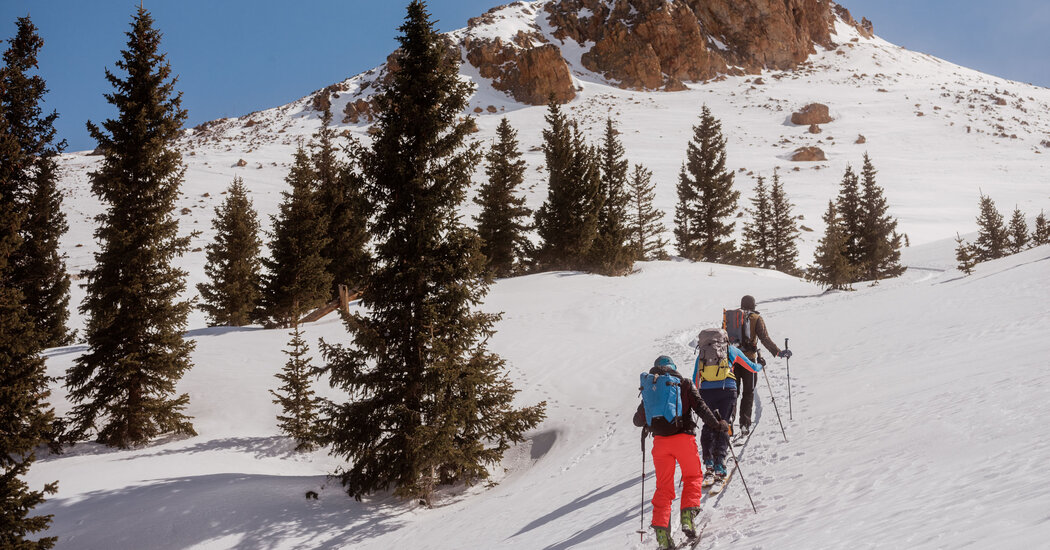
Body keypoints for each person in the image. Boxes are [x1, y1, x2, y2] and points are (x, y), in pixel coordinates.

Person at [634, 355, 730, 549]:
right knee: (693, 476)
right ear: (673, 367)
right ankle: (687, 516)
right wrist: (718, 424)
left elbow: (637, 420)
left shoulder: (651, 388)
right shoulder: (684, 384)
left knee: (664, 488)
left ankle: (662, 532)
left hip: (660, 445)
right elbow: (701, 408)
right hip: (684, 440)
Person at [692, 328, 762, 485]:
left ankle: (708, 464)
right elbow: (750, 366)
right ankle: (720, 464)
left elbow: (696, 377)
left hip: (707, 392)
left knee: (708, 425)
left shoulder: (703, 352)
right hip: (727, 389)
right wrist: (761, 366)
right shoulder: (731, 350)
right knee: (724, 424)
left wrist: (699, 397)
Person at [725, 295, 792, 436]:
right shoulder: (756, 318)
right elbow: (765, 338)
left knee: (733, 392)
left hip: (733, 360)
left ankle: (730, 420)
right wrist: (778, 353)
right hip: (749, 360)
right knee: (748, 392)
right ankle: (744, 424)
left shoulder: (731, 318)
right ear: (754, 305)